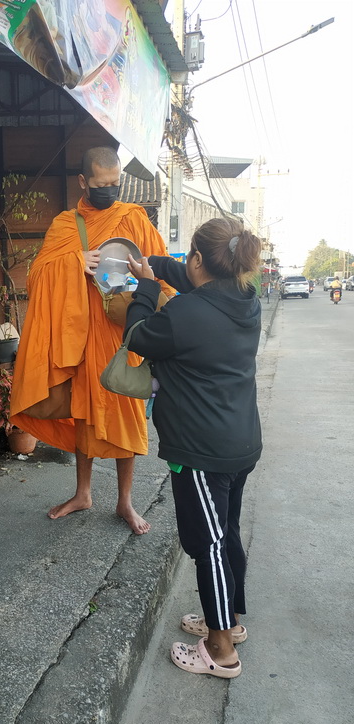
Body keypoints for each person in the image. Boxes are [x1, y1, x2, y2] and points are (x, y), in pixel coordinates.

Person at [10, 146, 175, 534]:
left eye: (115, 184)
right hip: (82, 337)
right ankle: (83, 493)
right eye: (101, 185)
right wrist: (74, 262)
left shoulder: (132, 218)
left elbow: (159, 267)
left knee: (125, 415)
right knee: (84, 413)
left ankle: (125, 501)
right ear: (84, 182)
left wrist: (166, 301)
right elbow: (37, 276)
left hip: (123, 335)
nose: (109, 192)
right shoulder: (65, 225)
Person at [125, 218, 262, 678]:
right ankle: (230, 620)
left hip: (201, 450)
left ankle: (220, 650)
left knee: (208, 544)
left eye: (189, 257)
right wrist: (151, 264)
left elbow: (137, 334)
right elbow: (192, 279)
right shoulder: (246, 299)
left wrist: (146, 286)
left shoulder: (184, 315)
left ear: (199, 259)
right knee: (226, 533)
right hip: (241, 441)